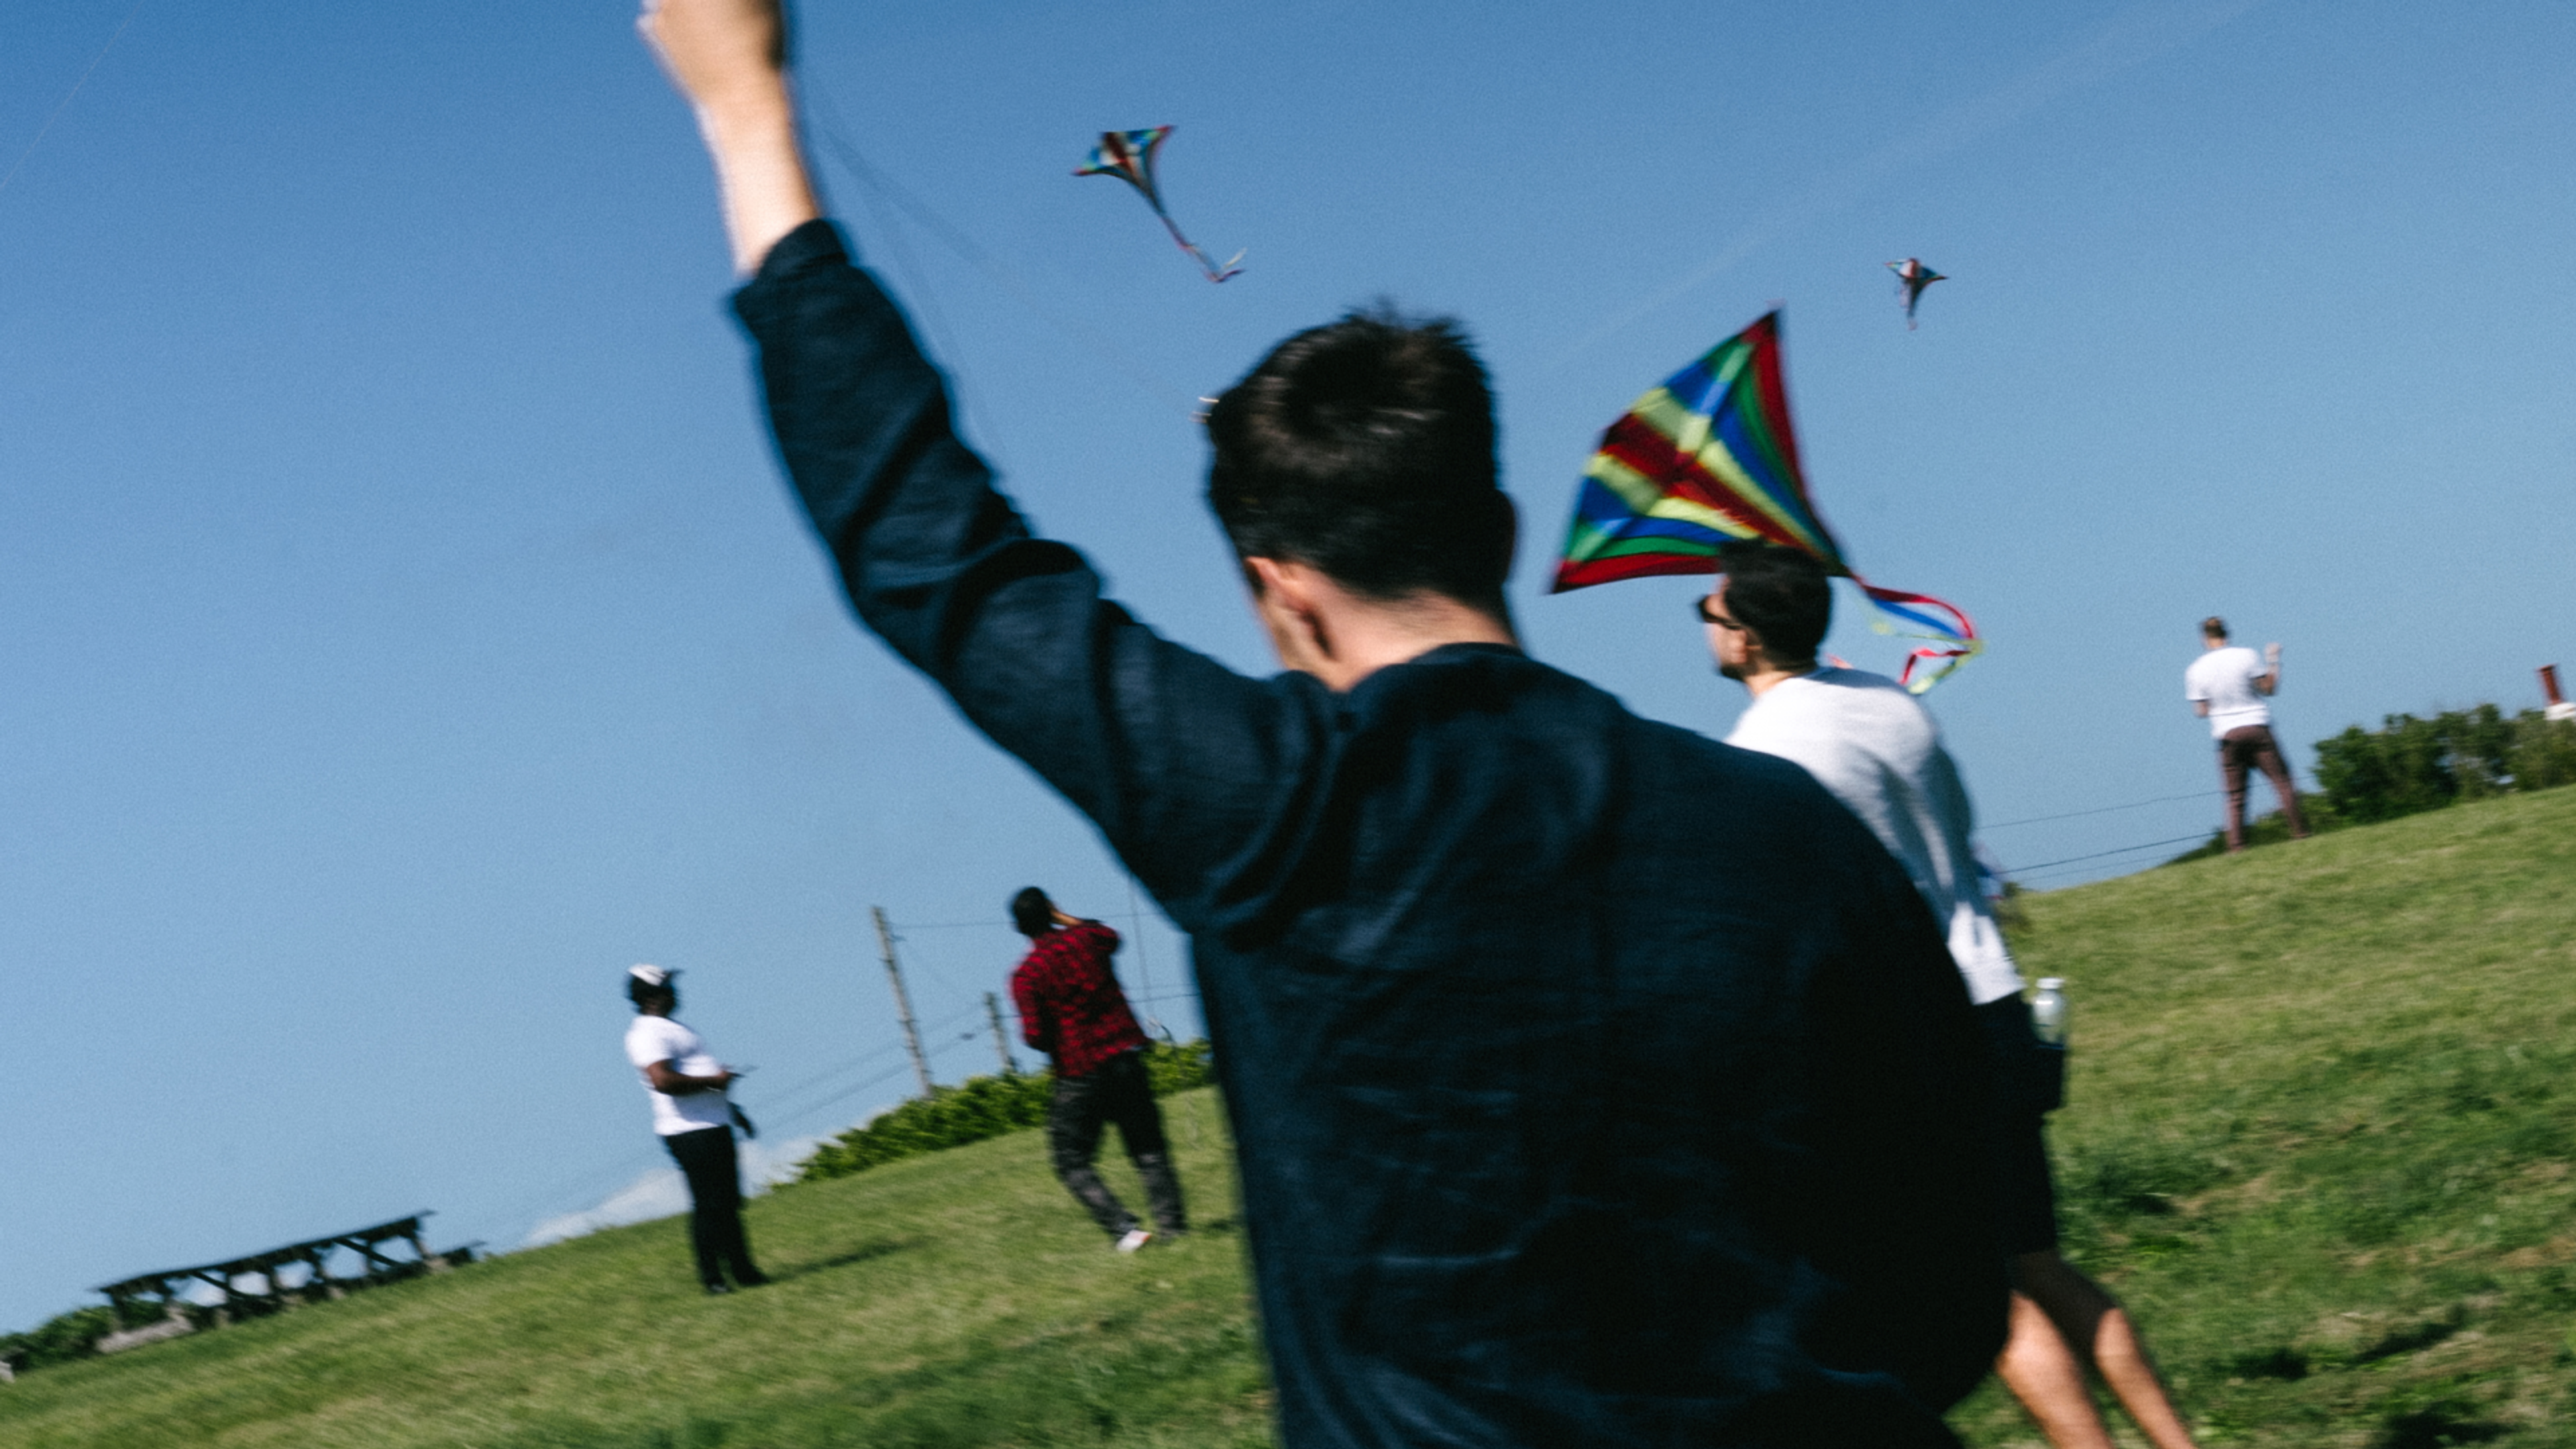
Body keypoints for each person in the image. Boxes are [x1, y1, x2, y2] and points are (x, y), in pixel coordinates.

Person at [639, 3, 2004, 1442]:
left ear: (1277, 594)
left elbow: (930, 548)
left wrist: (746, 112)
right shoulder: (1790, 824)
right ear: (1499, 526)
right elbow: (1952, 1286)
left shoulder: (1266, 808)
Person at [1704, 543, 2201, 1449]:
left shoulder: (1760, 755)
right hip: (1997, 999)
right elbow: (1960, 831)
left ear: (1742, 638)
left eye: (1711, 613)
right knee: (2039, 1263)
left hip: (1915, 1030)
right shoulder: (1891, 703)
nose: (1706, 626)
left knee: (1984, 1293)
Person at [1008, 888, 1187, 1252]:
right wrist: (1067, 918)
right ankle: (1174, 1229)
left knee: (1071, 1160)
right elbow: (1112, 937)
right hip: (1125, 1055)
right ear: (1052, 911)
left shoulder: (1027, 975)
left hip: (1079, 1071)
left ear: (1019, 928)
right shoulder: (1089, 940)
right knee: (1148, 1148)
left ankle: (1127, 1231)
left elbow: (1036, 1038)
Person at [623, 965, 768, 1295]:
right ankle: (713, 1279)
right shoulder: (648, 1033)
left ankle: (743, 1271)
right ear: (651, 996)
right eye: (668, 987)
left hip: (712, 1124)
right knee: (709, 1205)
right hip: (688, 1131)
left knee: (728, 1203)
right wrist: (715, 1081)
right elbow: (663, 1081)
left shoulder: (671, 1028)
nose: (676, 992)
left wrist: (732, 1110)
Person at [2184, 617, 2310, 852]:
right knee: (2283, 783)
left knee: (2235, 796)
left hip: (2227, 735)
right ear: (2227, 634)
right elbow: (2269, 688)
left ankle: (2237, 847)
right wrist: (2273, 659)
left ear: (2204, 639)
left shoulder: (2195, 670)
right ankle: (2300, 832)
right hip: (2257, 726)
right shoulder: (2247, 655)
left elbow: (2201, 711)